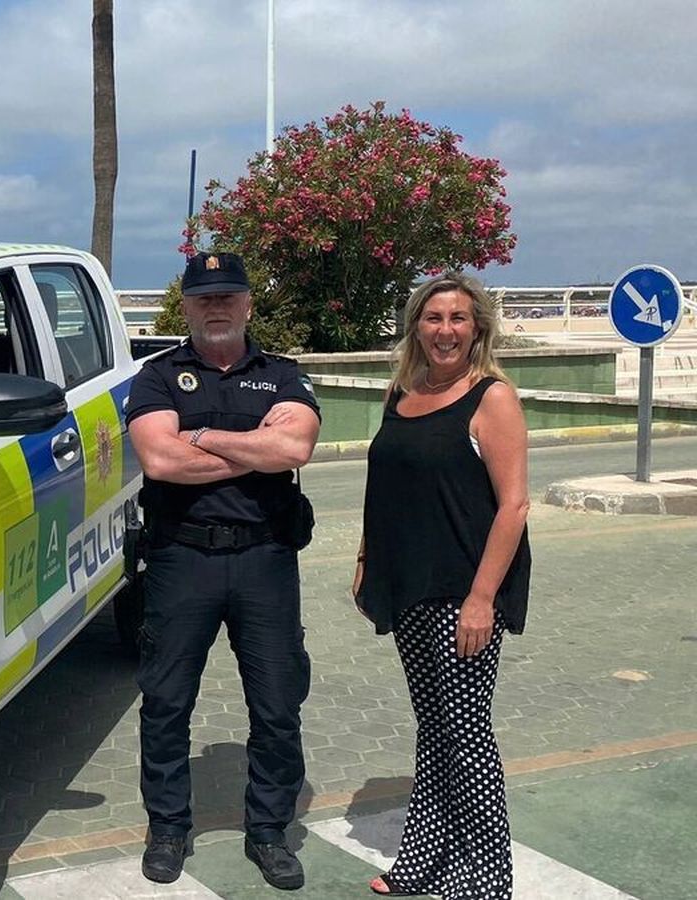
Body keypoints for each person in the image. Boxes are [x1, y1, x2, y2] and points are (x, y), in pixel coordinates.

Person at [126, 251, 322, 890]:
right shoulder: (157, 378)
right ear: (185, 306)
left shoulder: (283, 375)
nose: (216, 306)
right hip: (181, 558)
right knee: (165, 701)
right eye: (203, 297)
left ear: (247, 303)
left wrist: (201, 435)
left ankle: (268, 832)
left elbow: (295, 447)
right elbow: (160, 462)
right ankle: (169, 827)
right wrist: (251, 449)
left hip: (266, 559)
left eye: (227, 296)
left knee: (275, 704)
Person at [354, 272, 531, 899]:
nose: (445, 331)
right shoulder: (402, 393)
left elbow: (513, 508)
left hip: (464, 587)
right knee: (434, 724)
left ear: (477, 326)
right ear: (415, 326)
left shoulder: (491, 397)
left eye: (458, 318)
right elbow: (389, 487)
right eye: (433, 318)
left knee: (467, 730)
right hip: (409, 583)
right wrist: (366, 557)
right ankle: (422, 863)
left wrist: (482, 599)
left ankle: (487, 876)